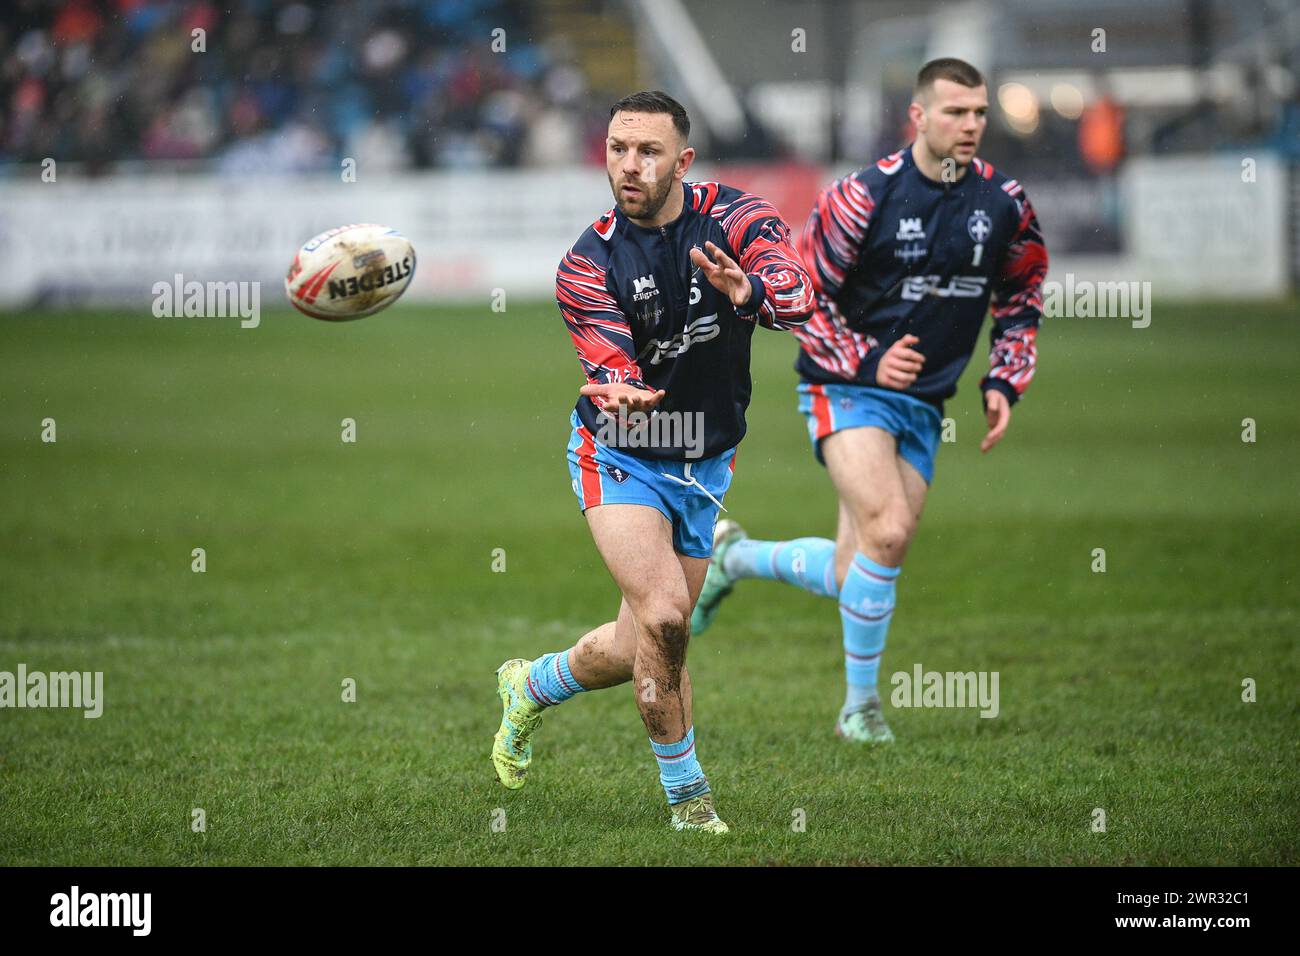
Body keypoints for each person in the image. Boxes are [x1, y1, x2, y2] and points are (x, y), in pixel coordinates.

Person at [691, 59, 1048, 743]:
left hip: (923, 403)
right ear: (918, 116)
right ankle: (860, 710)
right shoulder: (863, 196)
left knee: (860, 566)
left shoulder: (1005, 203)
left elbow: (1022, 294)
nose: (970, 125)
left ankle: (732, 559)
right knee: (888, 532)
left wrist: (1005, 378)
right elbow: (798, 295)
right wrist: (869, 359)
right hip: (844, 386)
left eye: (978, 113)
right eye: (954, 112)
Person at [491, 91, 814, 832]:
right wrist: (627, 389)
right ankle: (691, 805)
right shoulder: (588, 260)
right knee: (668, 616)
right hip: (621, 454)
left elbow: (798, 296)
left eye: (648, 151)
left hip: (706, 462)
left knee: (636, 646)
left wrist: (754, 290)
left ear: (683, 161)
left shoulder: (735, 218)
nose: (629, 166)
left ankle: (533, 684)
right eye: (616, 149)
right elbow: (610, 360)